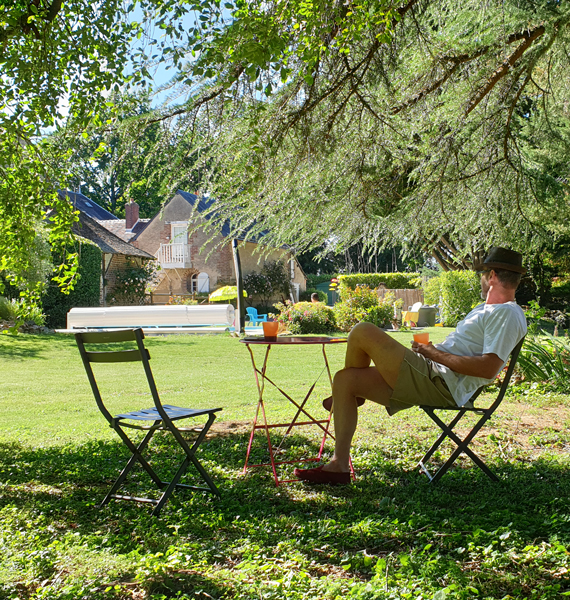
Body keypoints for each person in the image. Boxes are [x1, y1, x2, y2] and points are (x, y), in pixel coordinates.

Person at [294, 247, 527, 484]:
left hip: (440, 382)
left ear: (493, 276)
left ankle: (354, 400)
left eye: (484, 273)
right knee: (345, 380)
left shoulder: (506, 313)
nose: (482, 278)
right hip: (430, 372)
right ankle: (339, 466)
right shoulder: (486, 309)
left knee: (362, 331)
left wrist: (434, 354)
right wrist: (432, 352)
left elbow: (489, 368)